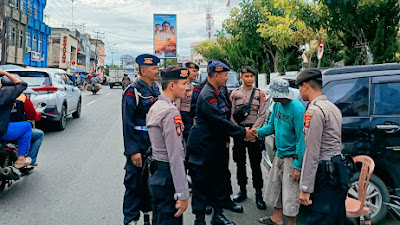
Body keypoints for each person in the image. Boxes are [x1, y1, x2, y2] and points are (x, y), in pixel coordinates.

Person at [187, 61, 256, 225]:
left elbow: (226, 117)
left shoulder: (217, 91)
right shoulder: (207, 95)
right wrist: (243, 133)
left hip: (215, 144)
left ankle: (217, 214)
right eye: (225, 75)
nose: (227, 78)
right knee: (201, 182)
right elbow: (220, 121)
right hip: (203, 146)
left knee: (217, 179)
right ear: (216, 75)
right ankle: (200, 219)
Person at [296, 69, 347, 225]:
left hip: (324, 175)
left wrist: (305, 188)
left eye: (299, 87)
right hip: (338, 172)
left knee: (318, 219)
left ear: (305, 86)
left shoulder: (315, 111)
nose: (300, 91)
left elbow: (312, 152)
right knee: (336, 218)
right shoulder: (333, 107)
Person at [252, 78, 305, 225]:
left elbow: (301, 139)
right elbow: (271, 127)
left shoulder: (298, 109)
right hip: (279, 153)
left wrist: (297, 165)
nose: (272, 97)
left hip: (292, 156)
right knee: (276, 187)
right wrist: (256, 132)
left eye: (274, 94)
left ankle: (292, 222)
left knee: (291, 192)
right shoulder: (277, 106)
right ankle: (276, 217)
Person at [146, 66, 190, 225]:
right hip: (167, 176)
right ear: (172, 85)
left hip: (158, 174)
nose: (187, 87)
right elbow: (175, 156)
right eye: (184, 83)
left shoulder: (156, 107)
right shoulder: (170, 112)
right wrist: (182, 194)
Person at [122, 54, 161, 225]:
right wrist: (133, 150)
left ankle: (147, 215)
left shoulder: (156, 89)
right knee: (134, 183)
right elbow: (127, 123)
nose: (156, 71)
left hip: (154, 143)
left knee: (149, 182)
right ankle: (130, 219)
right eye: (153, 69)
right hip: (139, 142)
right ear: (143, 71)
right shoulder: (133, 91)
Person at [230, 66, 267, 209]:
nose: (250, 79)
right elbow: (231, 115)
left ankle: (259, 194)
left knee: (255, 164)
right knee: (239, 163)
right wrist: (241, 131)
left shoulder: (259, 94)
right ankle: (242, 190)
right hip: (239, 132)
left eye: (252, 76)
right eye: (247, 76)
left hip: (253, 133)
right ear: (241, 77)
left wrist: (252, 131)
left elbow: (262, 115)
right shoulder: (234, 94)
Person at [0, 69, 32, 168]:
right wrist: (5, 73)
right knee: (27, 126)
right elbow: (22, 84)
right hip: (3, 131)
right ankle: (21, 159)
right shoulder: (7, 93)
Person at [10, 90, 43, 166]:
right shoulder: (22, 98)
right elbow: (32, 115)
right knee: (39, 135)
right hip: (14, 130)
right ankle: (30, 160)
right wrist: (38, 114)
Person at [175, 61, 199, 142]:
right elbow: (177, 104)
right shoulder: (182, 85)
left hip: (191, 116)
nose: (196, 74)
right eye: (194, 71)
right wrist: (179, 120)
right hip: (184, 115)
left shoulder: (192, 85)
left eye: (196, 72)